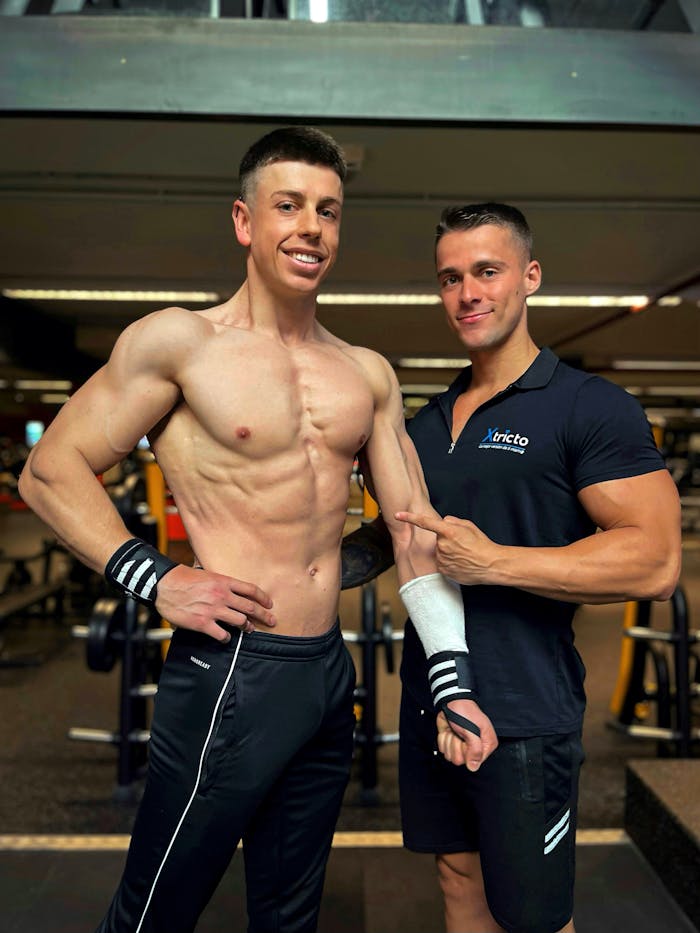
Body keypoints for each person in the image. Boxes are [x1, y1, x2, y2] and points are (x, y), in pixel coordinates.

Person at [17, 127, 497, 933]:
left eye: (329, 211)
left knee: (290, 912)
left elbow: (413, 529)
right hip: (231, 669)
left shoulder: (366, 372)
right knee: (155, 911)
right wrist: (157, 577)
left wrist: (452, 680)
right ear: (245, 221)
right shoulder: (179, 343)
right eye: (289, 206)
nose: (312, 227)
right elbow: (48, 471)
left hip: (324, 676)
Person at [345, 202, 681, 933]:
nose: (467, 292)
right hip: (439, 695)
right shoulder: (427, 426)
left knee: (530, 912)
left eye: (487, 271)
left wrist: (495, 562)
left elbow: (655, 558)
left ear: (529, 277)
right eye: (450, 278)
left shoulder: (587, 407)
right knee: (457, 875)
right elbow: (397, 539)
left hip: (528, 705)